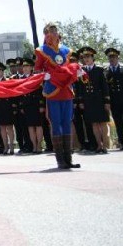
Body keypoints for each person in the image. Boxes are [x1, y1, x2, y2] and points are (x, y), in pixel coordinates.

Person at [34, 22, 83, 170]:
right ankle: (60, 160)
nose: (53, 34)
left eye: (55, 30)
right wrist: (45, 76)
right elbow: (36, 70)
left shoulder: (66, 50)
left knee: (67, 122)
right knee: (56, 123)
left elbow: (67, 66)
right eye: (50, 31)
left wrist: (76, 71)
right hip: (53, 90)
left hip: (66, 90)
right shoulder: (41, 51)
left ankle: (68, 159)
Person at [77, 47, 111, 154]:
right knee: (94, 124)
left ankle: (105, 145)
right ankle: (98, 145)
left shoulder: (100, 70)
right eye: (84, 57)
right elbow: (81, 88)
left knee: (103, 123)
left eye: (88, 57)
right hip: (89, 101)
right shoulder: (82, 71)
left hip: (99, 100)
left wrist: (107, 102)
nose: (86, 59)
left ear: (92, 57)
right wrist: (81, 101)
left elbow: (105, 87)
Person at [107, 48, 123, 150]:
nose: (112, 59)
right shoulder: (106, 72)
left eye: (114, 57)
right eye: (110, 57)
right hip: (114, 102)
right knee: (118, 123)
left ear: (118, 57)